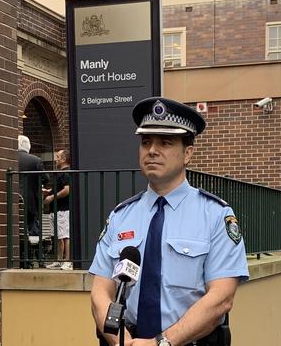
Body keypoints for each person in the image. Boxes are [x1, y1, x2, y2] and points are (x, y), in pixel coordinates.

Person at [89, 97, 249, 346]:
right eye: (145, 142)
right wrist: (120, 340)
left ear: (188, 153)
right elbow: (100, 291)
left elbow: (222, 297)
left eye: (165, 142)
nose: (152, 150)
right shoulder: (121, 216)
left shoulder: (215, 215)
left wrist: (161, 343)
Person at [44, 149, 72, 270]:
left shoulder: (66, 173)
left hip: (62, 209)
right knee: (58, 236)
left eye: (58, 157)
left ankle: (67, 261)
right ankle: (59, 260)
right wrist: (49, 192)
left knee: (64, 236)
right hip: (56, 209)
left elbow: (67, 190)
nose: (56, 159)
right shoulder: (60, 173)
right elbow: (60, 188)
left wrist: (51, 197)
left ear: (64, 159)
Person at [17, 135, 47, 236]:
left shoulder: (10, 158)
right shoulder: (35, 160)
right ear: (28, 146)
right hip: (31, 202)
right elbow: (45, 178)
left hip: (13, 200)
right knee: (33, 231)